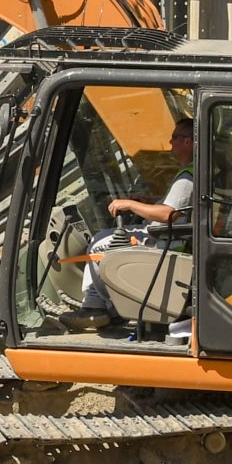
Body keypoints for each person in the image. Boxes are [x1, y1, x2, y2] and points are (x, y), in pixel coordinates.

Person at [80, 117, 196, 326]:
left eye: (175, 137)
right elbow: (176, 205)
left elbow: (169, 214)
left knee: (99, 244)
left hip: (163, 241)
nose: (170, 142)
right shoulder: (195, 170)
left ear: (188, 142)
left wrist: (130, 205)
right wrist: (148, 201)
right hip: (169, 236)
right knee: (102, 238)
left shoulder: (187, 178)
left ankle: (97, 307)